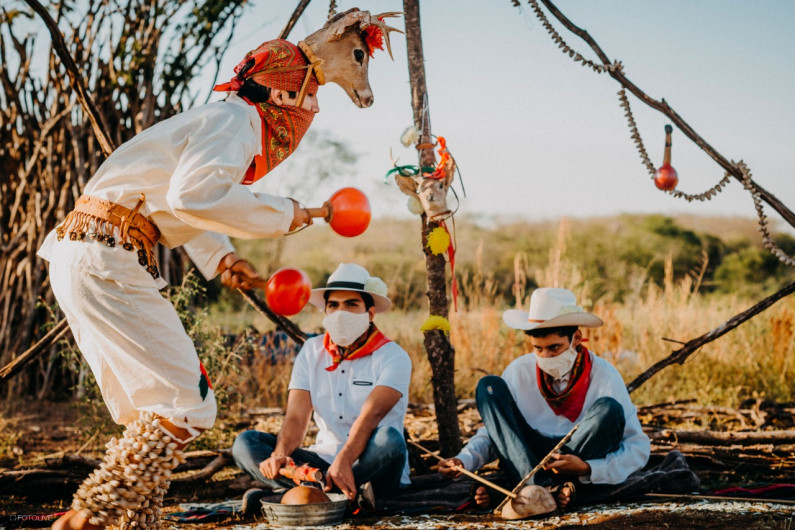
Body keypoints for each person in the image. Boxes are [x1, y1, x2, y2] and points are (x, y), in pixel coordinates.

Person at [41, 39, 323, 530]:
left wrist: (223, 257)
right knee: (189, 405)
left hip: (84, 252)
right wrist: (288, 213)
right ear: (281, 95)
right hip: (109, 255)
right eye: (311, 94)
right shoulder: (236, 122)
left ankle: (135, 523)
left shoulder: (217, 119)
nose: (315, 108)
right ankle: (86, 517)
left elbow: (181, 198)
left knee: (152, 415)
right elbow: (193, 196)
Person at [439, 287, 650, 513]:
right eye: (537, 348)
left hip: (576, 456)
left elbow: (637, 447)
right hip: (526, 459)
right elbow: (499, 432)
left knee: (609, 409)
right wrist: (464, 460)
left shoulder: (605, 376)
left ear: (576, 339)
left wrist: (588, 467)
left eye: (554, 348)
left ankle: (528, 491)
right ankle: (544, 490)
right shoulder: (518, 371)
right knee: (488, 387)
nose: (545, 356)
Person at [232, 263, 412, 514]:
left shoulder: (394, 356)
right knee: (245, 443)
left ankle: (305, 493)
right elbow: (296, 417)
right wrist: (280, 454)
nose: (340, 313)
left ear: (370, 313)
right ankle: (340, 494)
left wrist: (345, 460)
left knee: (390, 441)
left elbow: (371, 416)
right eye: (333, 305)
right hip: (322, 460)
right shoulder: (311, 351)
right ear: (325, 311)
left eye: (351, 304)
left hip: (370, 461)